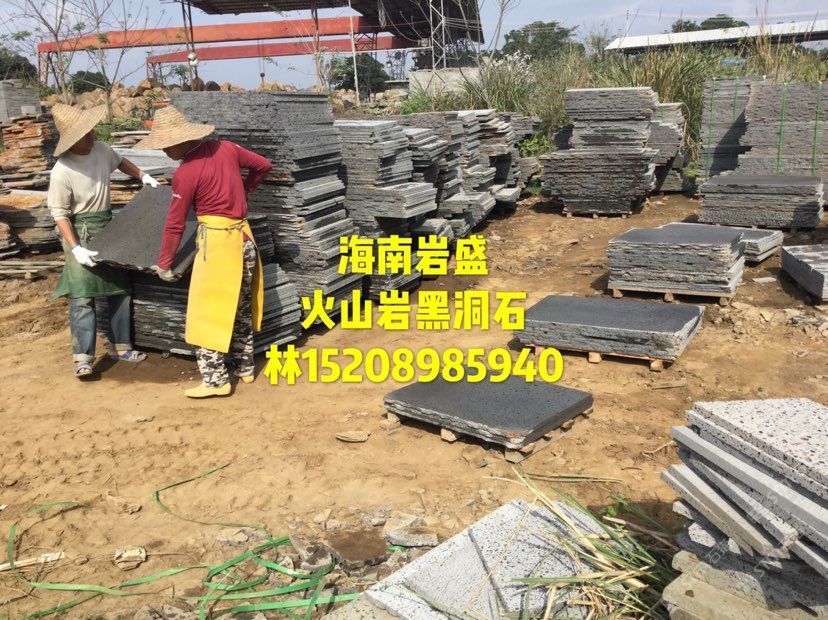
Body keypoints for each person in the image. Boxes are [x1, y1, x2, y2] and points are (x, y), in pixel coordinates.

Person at [134, 105, 272, 398]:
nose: (164, 151)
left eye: (166, 145)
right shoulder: (228, 149)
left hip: (218, 245)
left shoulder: (186, 173)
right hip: (245, 239)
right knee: (240, 306)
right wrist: (246, 189)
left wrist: (165, 263)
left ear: (182, 140)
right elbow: (263, 165)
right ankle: (245, 366)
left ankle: (215, 381)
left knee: (207, 312)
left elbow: (175, 223)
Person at [48, 103, 158, 379]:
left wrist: (142, 176)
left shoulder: (101, 150)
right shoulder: (62, 170)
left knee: (120, 289)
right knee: (82, 296)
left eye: (91, 130)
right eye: (85, 133)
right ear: (72, 140)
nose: (92, 135)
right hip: (79, 230)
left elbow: (120, 161)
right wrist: (76, 248)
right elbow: (59, 214)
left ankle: (122, 347)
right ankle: (83, 358)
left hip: (107, 226)